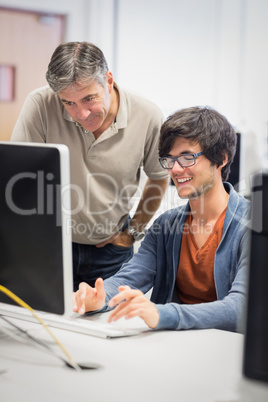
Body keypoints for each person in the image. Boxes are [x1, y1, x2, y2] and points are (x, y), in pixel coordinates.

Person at [73, 106, 251, 332]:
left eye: (187, 157)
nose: (175, 169)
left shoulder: (251, 226)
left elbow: (240, 307)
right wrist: (99, 297)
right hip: (170, 345)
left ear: (222, 159)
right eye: (170, 159)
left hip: (225, 349)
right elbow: (129, 277)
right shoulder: (166, 225)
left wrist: (161, 313)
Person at [11, 41, 169, 290]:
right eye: (68, 103)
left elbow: (159, 178)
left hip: (111, 252)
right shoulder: (40, 104)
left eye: (89, 99)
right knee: (45, 326)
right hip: (50, 248)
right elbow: (18, 174)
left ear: (108, 80)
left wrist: (131, 234)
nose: (82, 113)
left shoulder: (148, 115)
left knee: (109, 327)